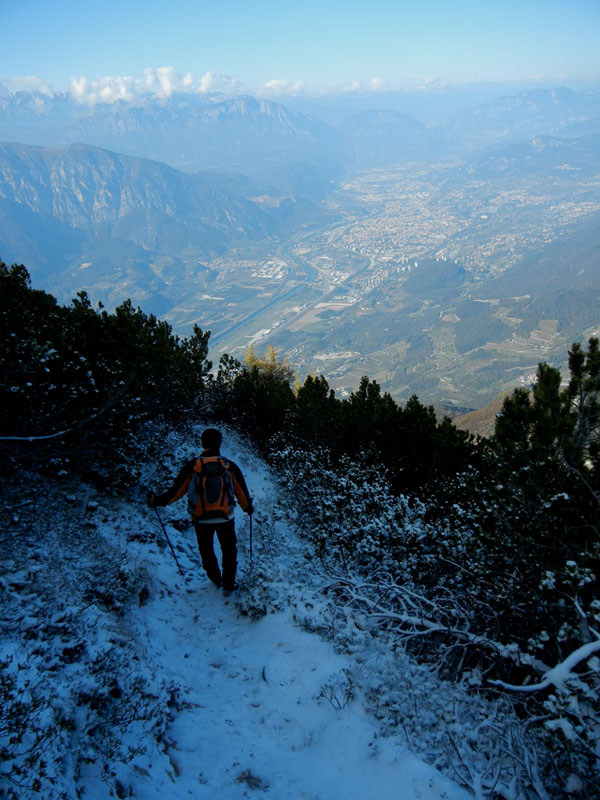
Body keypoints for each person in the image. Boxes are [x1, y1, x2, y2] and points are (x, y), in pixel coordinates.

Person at [147, 428, 253, 593]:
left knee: (206, 551)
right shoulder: (229, 466)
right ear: (220, 443)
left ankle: (216, 579)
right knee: (229, 551)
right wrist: (248, 508)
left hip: (201, 519)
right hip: (225, 518)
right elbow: (241, 492)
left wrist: (157, 501)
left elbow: (175, 492)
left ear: (203, 443)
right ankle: (228, 585)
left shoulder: (192, 466)